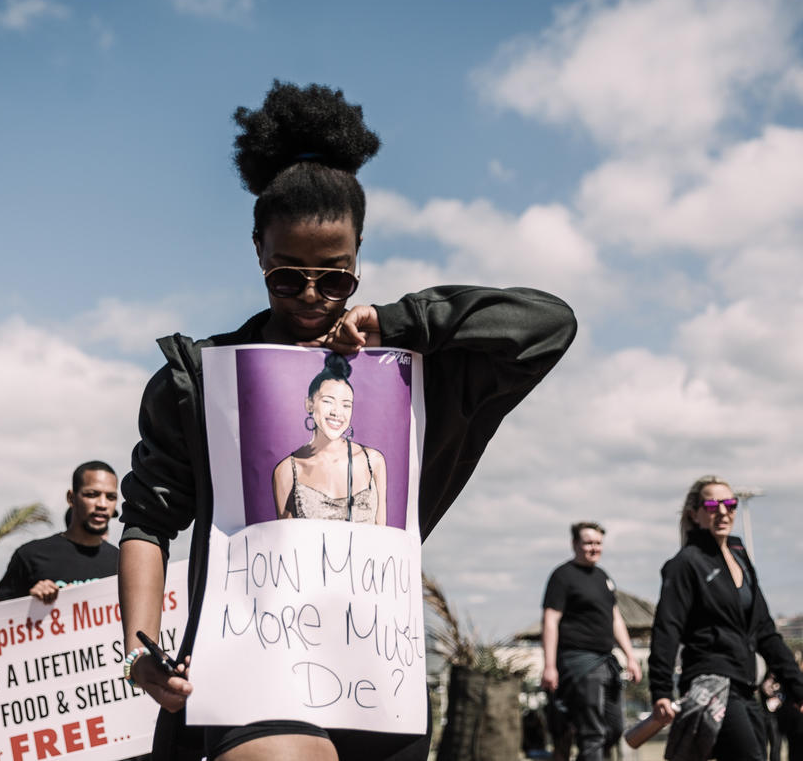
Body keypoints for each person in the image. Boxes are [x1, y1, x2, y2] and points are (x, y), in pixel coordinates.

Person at [117, 80, 577, 761]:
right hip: (252, 665)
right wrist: (140, 647)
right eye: (287, 276)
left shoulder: (412, 373)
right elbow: (150, 520)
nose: (311, 296)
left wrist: (402, 321)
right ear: (257, 251)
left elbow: (548, 325)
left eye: (334, 278)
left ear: (360, 255)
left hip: (376, 671)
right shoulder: (201, 382)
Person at [648, 475, 803, 761]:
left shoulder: (740, 558)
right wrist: (660, 690)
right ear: (694, 514)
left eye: (730, 504)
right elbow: (667, 627)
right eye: (712, 504)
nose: (723, 511)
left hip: (745, 685)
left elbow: (766, 631)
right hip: (710, 683)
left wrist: (797, 686)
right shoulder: (686, 563)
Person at [540, 521, 642, 761]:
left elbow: (615, 618)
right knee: (593, 732)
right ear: (575, 544)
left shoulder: (603, 577)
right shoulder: (562, 576)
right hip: (579, 662)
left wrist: (630, 656)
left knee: (614, 729)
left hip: (606, 661)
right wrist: (549, 665)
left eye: (598, 543)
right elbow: (550, 621)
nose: (594, 548)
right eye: (588, 543)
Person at [272, 351, 387, 524]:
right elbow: (287, 545)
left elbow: (383, 535)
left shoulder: (373, 461)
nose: (337, 412)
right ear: (309, 404)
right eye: (328, 401)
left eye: (346, 405)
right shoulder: (286, 471)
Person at [0, 460, 119, 603]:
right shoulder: (30, 555)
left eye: (111, 497)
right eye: (92, 494)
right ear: (71, 498)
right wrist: (29, 603)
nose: (102, 504)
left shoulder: (123, 563)